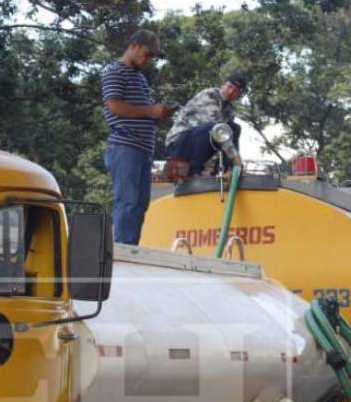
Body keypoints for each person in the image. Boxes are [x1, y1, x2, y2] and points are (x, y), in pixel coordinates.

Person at [101, 29, 176, 245]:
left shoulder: (140, 78)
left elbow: (139, 110)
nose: (149, 59)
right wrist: (150, 111)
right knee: (128, 201)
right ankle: (123, 250)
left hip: (142, 148)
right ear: (134, 45)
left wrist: (158, 115)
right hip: (125, 145)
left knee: (141, 203)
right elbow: (115, 106)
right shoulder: (115, 72)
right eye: (147, 53)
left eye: (152, 56)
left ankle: (131, 246)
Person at [164, 71, 248, 177]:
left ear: (239, 94)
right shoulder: (210, 95)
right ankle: (194, 171)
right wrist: (236, 159)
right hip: (177, 145)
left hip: (195, 143)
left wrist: (235, 164)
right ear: (223, 84)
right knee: (214, 128)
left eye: (235, 91)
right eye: (229, 87)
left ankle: (224, 172)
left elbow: (227, 137)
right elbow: (218, 131)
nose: (231, 92)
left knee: (234, 129)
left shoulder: (229, 109)